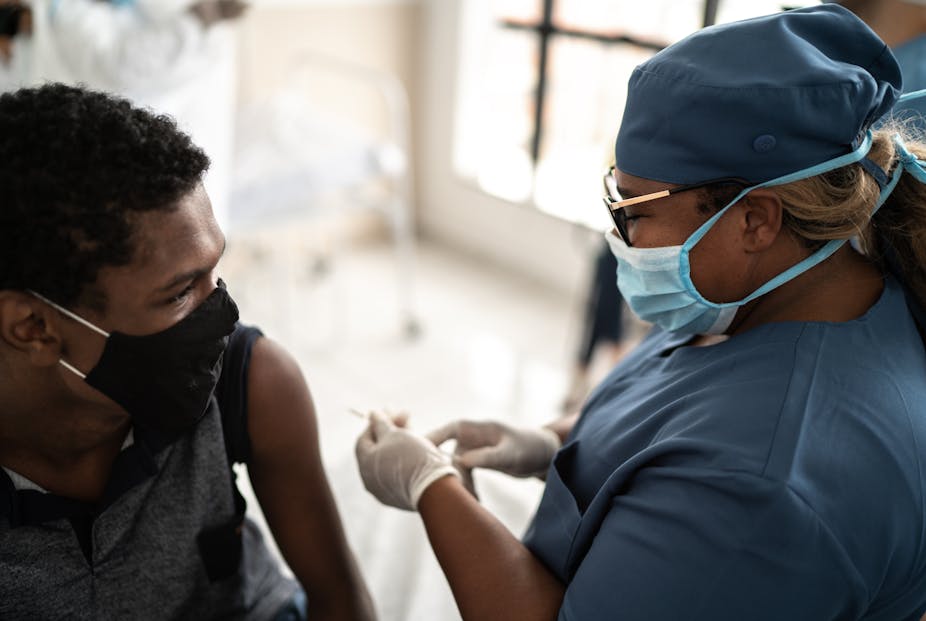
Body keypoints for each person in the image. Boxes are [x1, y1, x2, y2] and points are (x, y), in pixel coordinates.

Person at [354, 5, 926, 620]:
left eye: (636, 210)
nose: (620, 235)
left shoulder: (765, 488)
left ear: (755, 220)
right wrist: (548, 443)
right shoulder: (762, 296)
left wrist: (431, 487)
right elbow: (678, 410)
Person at [0, 83, 376, 620]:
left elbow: (340, 601)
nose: (222, 315)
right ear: (34, 326)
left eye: (215, 272)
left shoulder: (253, 382)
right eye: (179, 293)